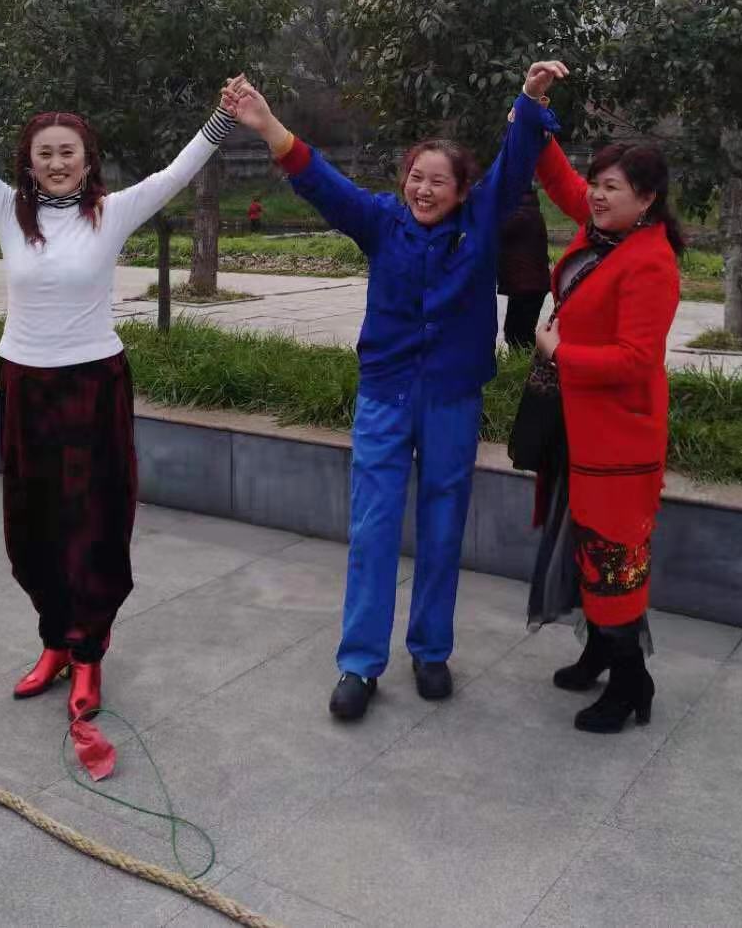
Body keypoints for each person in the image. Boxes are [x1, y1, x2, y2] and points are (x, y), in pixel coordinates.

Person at [0, 36, 240, 723]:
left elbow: (177, 172)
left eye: (68, 151)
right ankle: (54, 641)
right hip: (24, 384)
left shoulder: (113, 212)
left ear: (87, 158)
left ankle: (90, 651)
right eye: (44, 153)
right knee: (31, 521)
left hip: (94, 385)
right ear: (29, 163)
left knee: (95, 520)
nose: (57, 162)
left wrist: (224, 116)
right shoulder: (6, 209)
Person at [224, 62, 567, 722]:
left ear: (462, 190)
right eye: (416, 176)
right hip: (385, 394)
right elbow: (321, 181)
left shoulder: (481, 219)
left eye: (438, 180)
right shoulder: (381, 220)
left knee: (443, 523)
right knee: (374, 526)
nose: (423, 188)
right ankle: (359, 662)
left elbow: (516, 160)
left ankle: (431, 650)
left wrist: (528, 100)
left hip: (453, 397)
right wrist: (267, 125)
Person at [528, 137, 683, 733]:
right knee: (581, 544)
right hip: (576, 425)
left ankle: (630, 681)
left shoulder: (650, 261)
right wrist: (532, 111)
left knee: (613, 556)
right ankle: (597, 651)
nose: (595, 194)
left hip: (618, 438)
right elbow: (559, 179)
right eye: (595, 182)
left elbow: (636, 360)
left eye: (610, 186)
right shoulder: (603, 230)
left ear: (646, 199)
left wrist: (560, 352)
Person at [498, 185, 551, 349]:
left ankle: (530, 363)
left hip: (528, 286)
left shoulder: (521, 212)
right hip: (528, 285)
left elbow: (497, 230)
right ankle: (528, 361)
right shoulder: (528, 209)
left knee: (518, 335)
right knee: (516, 332)